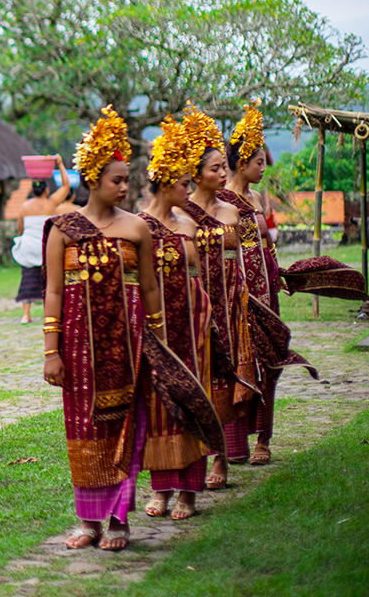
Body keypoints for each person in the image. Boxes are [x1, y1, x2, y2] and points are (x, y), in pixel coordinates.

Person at [43, 107, 163, 551]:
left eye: (128, 178)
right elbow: (53, 292)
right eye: (117, 179)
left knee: (124, 426)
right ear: (92, 179)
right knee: (83, 427)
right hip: (78, 345)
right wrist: (50, 351)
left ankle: (118, 521)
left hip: (130, 345)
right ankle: (89, 520)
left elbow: (149, 287)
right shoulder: (64, 228)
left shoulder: (138, 228)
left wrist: (159, 342)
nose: (125, 186)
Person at [139, 115, 212, 521]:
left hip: (188, 326)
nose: (190, 189)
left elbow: (197, 279)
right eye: (185, 182)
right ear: (166, 182)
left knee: (187, 402)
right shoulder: (138, 225)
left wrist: (204, 321)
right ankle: (161, 489)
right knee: (157, 406)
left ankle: (188, 492)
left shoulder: (189, 225)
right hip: (154, 328)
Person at [178, 104, 254, 490]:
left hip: (227, 304)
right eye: (215, 168)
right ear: (196, 174)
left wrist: (242, 302)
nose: (223, 174)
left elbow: (240, 260)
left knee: (223, 379)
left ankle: (221, 459)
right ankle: (191, 458)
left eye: (225, 167)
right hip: (194, 304)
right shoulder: (182, 213)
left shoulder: (232, 213)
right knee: (198, 380)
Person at [221, 101, 280, 466]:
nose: (263, 167)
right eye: (258, 162)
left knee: (268, 359)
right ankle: (234, 441)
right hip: (237, 292)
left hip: (266, 288)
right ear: (241, 163)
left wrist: (279, 272)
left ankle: (264, 438)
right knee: (238, 361)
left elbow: (269, 239)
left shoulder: (258, 197)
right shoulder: (221, 199)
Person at [13, 155, 73, 323]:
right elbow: (67, 186)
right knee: (49, 279)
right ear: (46, 190)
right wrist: (60, 164)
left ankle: (26, 314)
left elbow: (20, 228)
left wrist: (22, 237)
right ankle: (50, 313)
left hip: (28, 245)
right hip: (45, 247)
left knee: (27, 277)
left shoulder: (25, 206)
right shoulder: (51, 203)